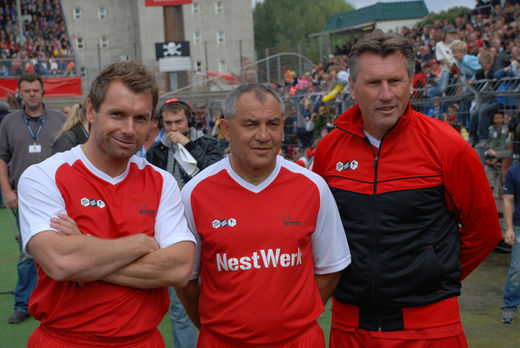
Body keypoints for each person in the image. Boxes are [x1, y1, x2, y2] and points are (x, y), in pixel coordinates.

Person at [312, 30, 502, 348]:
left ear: (411, 84)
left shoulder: (447, 145)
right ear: (353, 87)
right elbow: (320, 233)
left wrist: (433, 274)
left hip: (430, 328)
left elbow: (485, 231)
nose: (386, 94)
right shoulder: (330, 149)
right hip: (350, 327)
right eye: (374, 83)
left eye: (395, 81)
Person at [17, 61, 196, 347]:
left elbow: (178, 269)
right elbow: (60, 262)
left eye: (140, 118)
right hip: (66, 340)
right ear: (90, 111)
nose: (129, 129)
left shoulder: (161, 182)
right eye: (117, 114)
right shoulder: (44, 176)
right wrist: (142, 244)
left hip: (143, 340)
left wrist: (86, 252)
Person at [177, 83, 351, 347]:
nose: (263, 135)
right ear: (226, 129)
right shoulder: (195, 193)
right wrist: (222, 326)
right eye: (250, 124)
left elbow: (330, 269)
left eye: (273, 124)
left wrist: (292, 320)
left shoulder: (313, 187)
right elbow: (186, 279)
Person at [146, 98, 221, 348]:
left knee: (219, 295)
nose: (173, 128)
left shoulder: (208, 143)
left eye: (178, 121)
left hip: (209, 224)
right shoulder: (156, 151)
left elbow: (215, 173)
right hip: (172, 229)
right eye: (168, 123)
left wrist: (188, 145)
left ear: (188, 119)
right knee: (180, 304)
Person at [0, 72, 66, 324]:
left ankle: (59, 301)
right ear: (20, 93)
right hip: (23, 199)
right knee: (27, 252)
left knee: (61, 248)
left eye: (35, 90)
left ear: (43, 92)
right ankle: (23, 303)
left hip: (58, 197)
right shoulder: (9, 122)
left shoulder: (60, 119)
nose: (31, 94)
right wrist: (7, 191)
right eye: (26, 91)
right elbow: (1, 159)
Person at [501, 162, 520, 324]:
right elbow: (507, 200)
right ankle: (509, 305)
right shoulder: (514, 172)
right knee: (517, 269)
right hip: (519, 227)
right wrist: (509, 228)